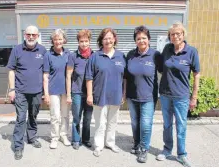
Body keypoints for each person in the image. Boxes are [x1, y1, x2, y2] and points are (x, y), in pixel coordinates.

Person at [156, 22, 200, 167]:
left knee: (181, 126)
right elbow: (161, 69)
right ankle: (167, 149)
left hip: (181, 96)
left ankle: (181, 154)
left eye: (178, 34)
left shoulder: (191, 51)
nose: (175, 36)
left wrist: (194, 96)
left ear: (183, 35)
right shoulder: (167, 49)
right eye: (172, 34)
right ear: (169, 37)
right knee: (167, 125)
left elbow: (196, 74)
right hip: (165, 95)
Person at [7, 25, 47, 160]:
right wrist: (12, 89)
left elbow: (45, 73)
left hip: (36, 92)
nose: (31, 37)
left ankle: (31, 138)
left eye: (33, 35)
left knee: (33, 116)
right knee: (20, 119)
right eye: (28, 34)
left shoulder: (42, 50)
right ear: (24, 35)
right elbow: (11, 70)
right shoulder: (17, 49)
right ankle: (18, 146)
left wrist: (44, 92)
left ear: (37, 36)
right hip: (20, 92)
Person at [85, 28, 126, 157]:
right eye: (105, 38)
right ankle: (98, 145)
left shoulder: (121, 56)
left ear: (114, 39)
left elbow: (125, 78)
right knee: (100, 123)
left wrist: (124, 94)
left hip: (116, 95)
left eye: (110, 38)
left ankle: (110, 142)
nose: (108, 40)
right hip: (99, 95)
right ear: (101, 41)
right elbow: (89, 77)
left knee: (112, 121)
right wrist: (90, 94)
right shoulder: (95, 56)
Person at [125, 25, 161, 163]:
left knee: (145, 124)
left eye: (144, 38)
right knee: (135, 123)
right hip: (132, 96)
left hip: (148, 97)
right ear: (135, 41)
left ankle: (144, 149)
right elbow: (126, 77)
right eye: (138, 38)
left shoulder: (155, 55)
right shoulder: (130, 55)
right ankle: (136, 144)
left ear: (149, 40)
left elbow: (164, 72)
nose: (141, 41)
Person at [43, 29, 72, 149]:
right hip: (53, 90)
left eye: (60, 39)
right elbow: (45, 76)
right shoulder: (48, 55)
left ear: (64, 40)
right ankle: (54, 137)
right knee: (55, 116)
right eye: (55, 39)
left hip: (66, 90)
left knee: (65, 115)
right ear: (52, 41)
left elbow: (70, 74)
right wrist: (46, 94)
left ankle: (64, 135)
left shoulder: (68, 54)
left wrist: (70, 93)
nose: (58, 41)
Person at [66, 29, 93, 150]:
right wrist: (68, 94)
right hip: (77, 92)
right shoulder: (73, 56)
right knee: (77, 117)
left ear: (90, 41)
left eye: (86, 41)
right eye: (81, 41)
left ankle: (86, 139)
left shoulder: (94, 55)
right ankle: (76, 139)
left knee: (87, 118)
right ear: (78, 42)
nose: (84, 44)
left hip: (90, 93)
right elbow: (68, 76)